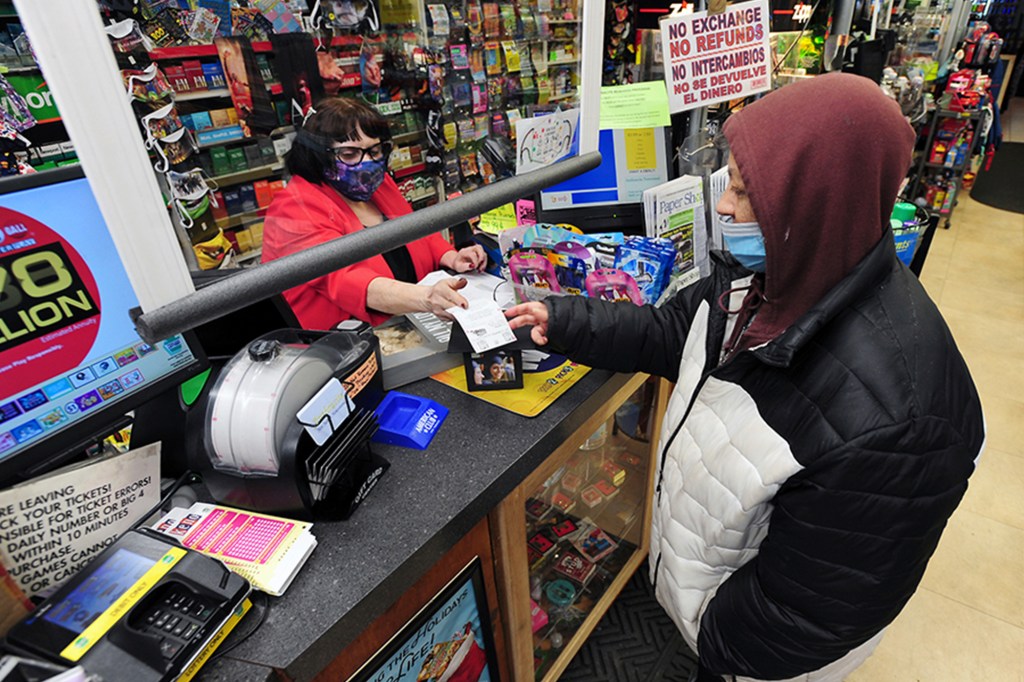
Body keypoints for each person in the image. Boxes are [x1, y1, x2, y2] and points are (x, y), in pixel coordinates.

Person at [507, 73, 985, 681]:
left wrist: (715, 638)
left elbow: (807, 618)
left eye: (743, 191)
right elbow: (676, 332)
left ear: (813, 201)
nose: (724, 207)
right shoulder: (772, 278)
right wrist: (568, 317)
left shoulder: (899, 421)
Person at [262, 97, 486, 329]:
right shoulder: (294, 209)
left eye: (375, 150)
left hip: (408, 324)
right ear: (318, 155)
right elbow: (347, 281)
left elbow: (415, 232)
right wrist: (427, 298)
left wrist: (452, 258)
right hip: (339, 346)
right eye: (349, 154)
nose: (367, 163)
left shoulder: (378, 185)